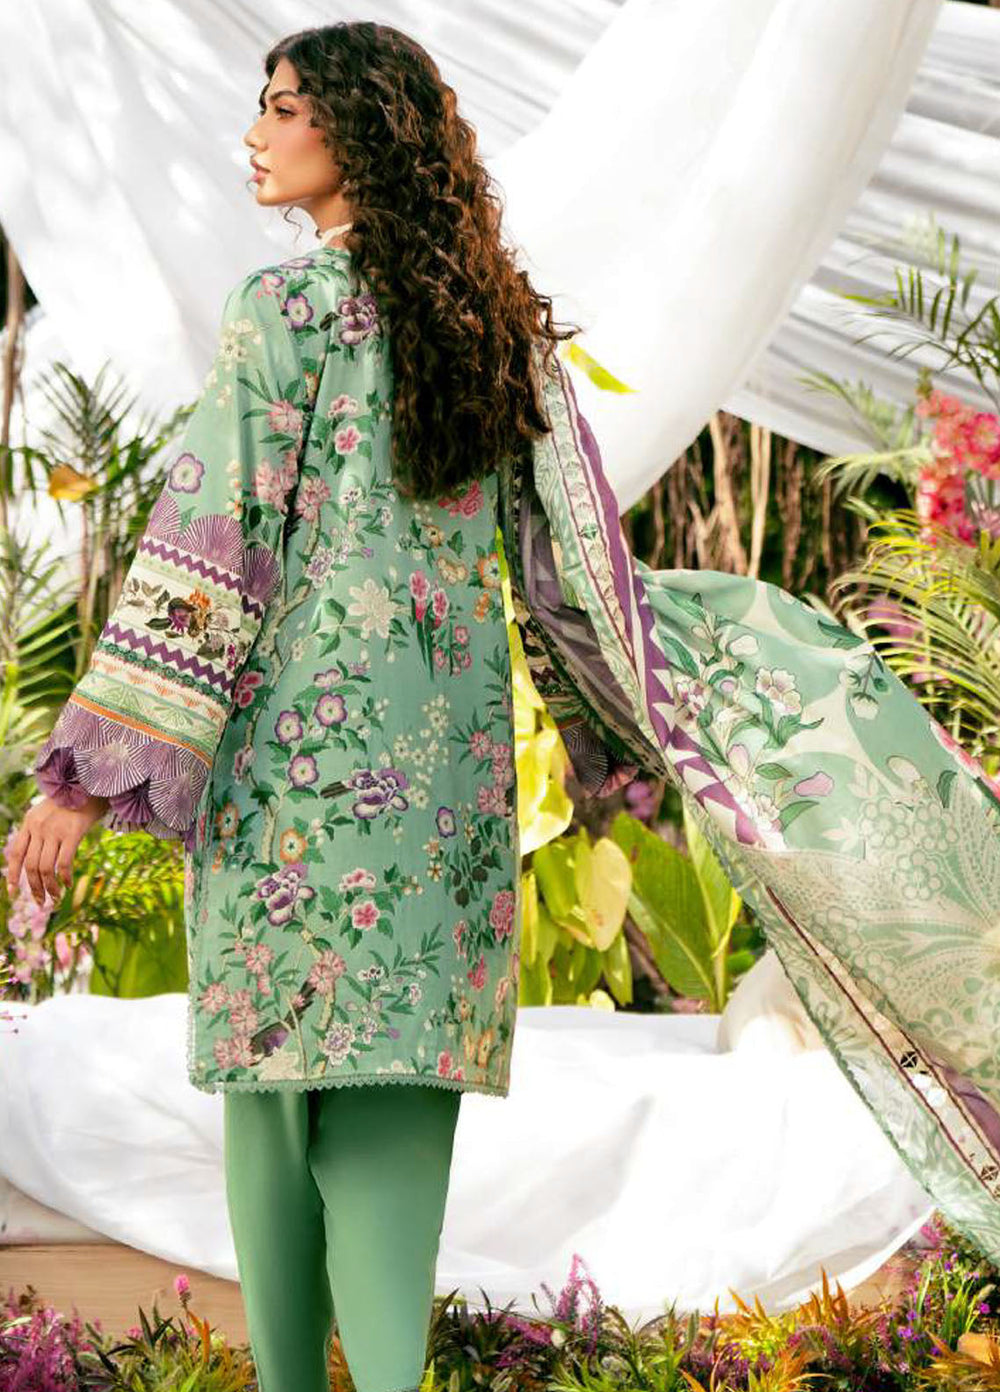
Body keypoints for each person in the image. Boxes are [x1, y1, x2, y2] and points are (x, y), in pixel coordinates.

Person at [6, 17, 1000, 1392]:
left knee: (273, 1089)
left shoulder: (285, 312)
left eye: (282, 107)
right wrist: (694, 694)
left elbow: (211, 544)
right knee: (399, 1091)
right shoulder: (494, 330)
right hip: (444, 769)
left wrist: (82, 777)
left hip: (292, 766)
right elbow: (570, 568)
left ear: (356, 131)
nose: (255, 133)